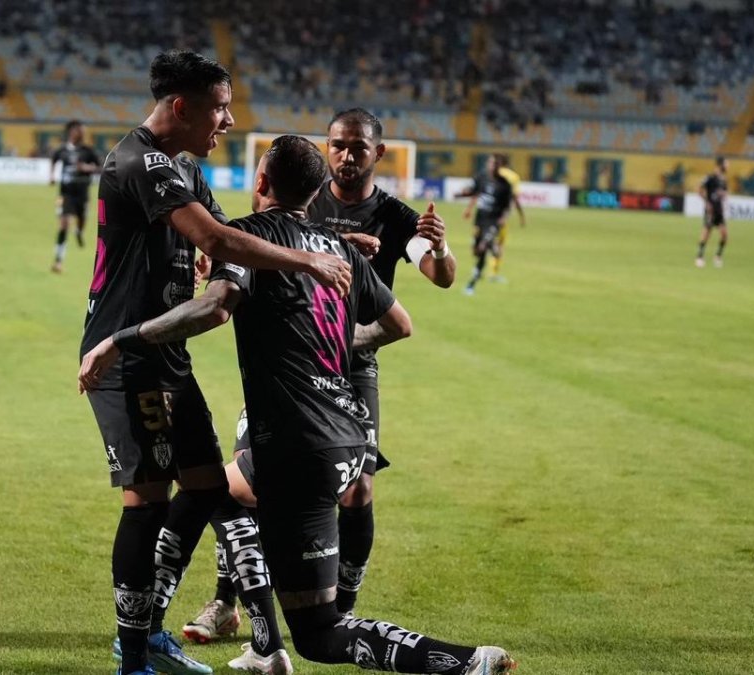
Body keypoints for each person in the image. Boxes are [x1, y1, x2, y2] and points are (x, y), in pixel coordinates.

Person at [81, 135, 514, 675]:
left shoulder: (245, 237)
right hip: (348, 435)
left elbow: (215, 309)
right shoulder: (341, 251)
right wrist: (326, 347)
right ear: (316, 191)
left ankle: (250, 636)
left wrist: (124, 339)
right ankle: (468, 661)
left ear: (260, 181)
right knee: (316, 617)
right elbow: (399, 324)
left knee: (220, 496)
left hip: (293, 443)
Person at [78, 51, 352, 675]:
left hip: (165, 355)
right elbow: (218, 240)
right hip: (126, 353)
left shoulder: (184, 170)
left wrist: (329, 240)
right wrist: (310, 261)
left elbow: (231, 234)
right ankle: (135, 655)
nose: (229, 120)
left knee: (204, 485)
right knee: (146, 501)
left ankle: (150, 637)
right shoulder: (141, 161)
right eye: (221, 106)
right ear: (182, 106)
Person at [183, 108, 457, 658]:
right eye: (337, 145)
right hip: (292, 367)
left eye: (358, 147)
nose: (346, 155)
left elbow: (437, 277)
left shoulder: (395, 216)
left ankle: (341, 608)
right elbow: (256, 244)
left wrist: (442, 249)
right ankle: (226, 602)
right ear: (324, 152)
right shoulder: (307, 195)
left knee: (357, 489)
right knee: (248, 474)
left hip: (352, 364)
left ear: (379, 153)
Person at [459, 155, 516, 296]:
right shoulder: (482, 177)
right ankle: (492, 247)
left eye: (496, 164)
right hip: (480, 220)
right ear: (488, 164)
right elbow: (473, 191)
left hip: (494, 221)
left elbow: (509, 206)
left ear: (500, 166)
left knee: (482, 249)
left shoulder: (505, 184)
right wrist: (467, 203)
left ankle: (471, 285)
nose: (493, 166)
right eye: (491, 163)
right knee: (476, 251)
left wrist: (504, 218)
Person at [49, 120, 101, 273]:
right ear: (72, 131)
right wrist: (51, 175)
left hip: (83, 193)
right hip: (66, 193)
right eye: (80, 130)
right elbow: (54, 160)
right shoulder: (63, 150)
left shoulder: (88, 151)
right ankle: (58, 261)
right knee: (64, 224)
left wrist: (86, 167)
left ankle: (79, 231)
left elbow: (99, 167)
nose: (83, 133)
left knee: (81, 219)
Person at [488, 154, 525, 282]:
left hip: (485, 213)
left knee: (485, 240)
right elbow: (514, 198)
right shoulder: (513, 176)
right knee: (500, 243)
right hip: (500, 215)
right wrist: (521, 215)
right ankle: (493, 273)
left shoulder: (490, 173)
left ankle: (478, 268)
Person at [696, 156, 729, 268]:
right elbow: (699, 189)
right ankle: (700, 256)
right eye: (726, 163)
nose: (728, 166)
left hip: (719, 210)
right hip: (711, 210)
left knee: (724, 235)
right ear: (720, 165)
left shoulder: (723, 180)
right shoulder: (710, 177)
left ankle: (718, 256)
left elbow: (724, 193)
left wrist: (724, 197)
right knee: (707, 233)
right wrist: (706, 202)